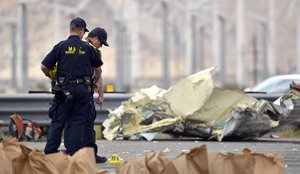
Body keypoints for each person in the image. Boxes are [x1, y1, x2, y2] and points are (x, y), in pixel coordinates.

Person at [40, 17, 107, 163]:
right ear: (82, 30)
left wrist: (53, 78)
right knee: (77, 122)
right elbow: (99, 70)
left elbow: (44, 66)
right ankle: (73, 155)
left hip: (64, 90)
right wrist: (93, 82)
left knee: (58, 121)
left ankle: (50, 154)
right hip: (83, 91)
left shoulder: (61, 46)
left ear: (71, 29)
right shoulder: (89, 48)